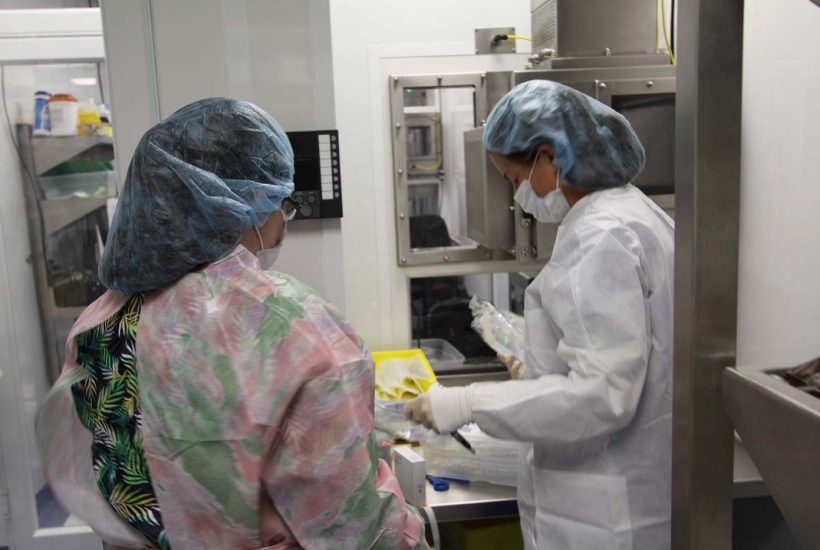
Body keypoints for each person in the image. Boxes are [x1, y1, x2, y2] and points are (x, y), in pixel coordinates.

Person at [36, 98, 426, 550]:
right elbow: (355, 531)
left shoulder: (101, 320)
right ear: (246, 203)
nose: (284, 219)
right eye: (285, 203)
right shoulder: (292, 329)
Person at [405, 80, 674, 549]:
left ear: (549, 156)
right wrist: (539, 368)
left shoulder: (601, 237)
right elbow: (624, 356)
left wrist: (465, 403)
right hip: (624, 495)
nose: (518, 195)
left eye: (515, 179)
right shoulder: (635, 216)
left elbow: (602, 395)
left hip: (603, 517)